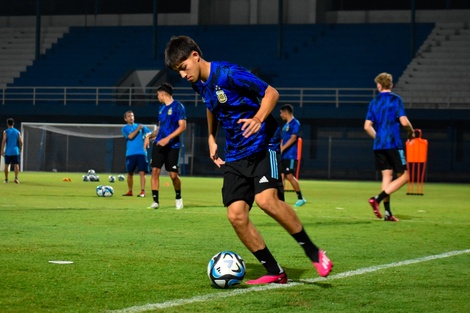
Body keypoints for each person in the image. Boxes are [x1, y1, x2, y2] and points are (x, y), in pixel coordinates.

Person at [165, 35, 332, 284]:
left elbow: (271, 93)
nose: (182, 75)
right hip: (235, 152)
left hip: (264, 144)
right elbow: (211, 105)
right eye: (177, 71)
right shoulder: (198, 82)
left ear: (195, 56)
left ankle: (313, 252)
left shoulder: (228, 73)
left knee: (267, 201)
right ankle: (275, 271)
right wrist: (211, 137)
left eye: (183, 67)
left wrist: (257, 119)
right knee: (236, 215)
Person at [364, 72, 415, 222]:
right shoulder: (395, 99)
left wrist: (378, 137)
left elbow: (367, 126)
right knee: (406, 176)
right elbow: (404, 122)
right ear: (391, 85)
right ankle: (377, 199)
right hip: (393, 143)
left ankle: (387, 214)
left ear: (378, 86)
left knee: (387, 176)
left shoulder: (374, 102)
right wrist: (411, 132)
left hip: (379, 145)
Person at [145, 83, 186, 210]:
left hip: (173, 145)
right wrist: (149, 136)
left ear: (163, 94)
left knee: (173, 175)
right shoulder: (161, 109)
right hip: (159, 144)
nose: (157, 97)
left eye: (158, 94)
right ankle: (155, 201)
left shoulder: (178, 107)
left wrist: (167, 139)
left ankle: (178, 197)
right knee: (155, 171)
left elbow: (182, 127)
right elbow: (161, 128)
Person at [280, 104, 307, 207]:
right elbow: (283, 139)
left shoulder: (295, 123)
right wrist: (280, 149)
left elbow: (293, 138)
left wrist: (282, 148)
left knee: (289, 176)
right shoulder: (286, 125)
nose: (281, 114)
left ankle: (301, 198)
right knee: (281, 176)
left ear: (286, 112)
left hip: (290, 155)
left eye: (281, 112)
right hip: (284, 155)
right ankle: (280, 199)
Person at [121, 111, 152, 197]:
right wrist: (138, 129)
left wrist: (150, 136)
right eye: (128, 116)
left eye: (132, 116)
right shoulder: (125, 128)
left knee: (142, 172)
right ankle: (130, 191)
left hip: (142, 152)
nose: (131, 117)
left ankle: (142, 191)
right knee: (130, 173)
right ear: (125, 119)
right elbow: (130, 136)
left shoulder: (142, 127)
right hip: (130, 154)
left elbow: (150, 134)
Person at [1, 118, 23, 184]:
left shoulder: (6, 131)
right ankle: (16, 178)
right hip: (15, 151)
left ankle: (6, 179)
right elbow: (21, 141)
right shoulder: (17, 131)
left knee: (6, 165)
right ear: (13, 124)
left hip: (8, 151)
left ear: (7, 124)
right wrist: (21, 148)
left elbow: (4, 140)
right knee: (16, 165)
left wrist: (2, 150)